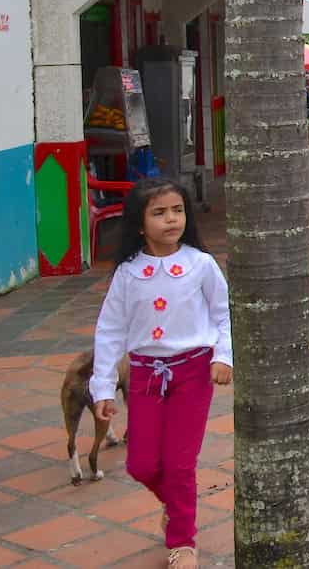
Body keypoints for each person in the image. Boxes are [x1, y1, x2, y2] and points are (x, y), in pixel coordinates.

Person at [90, 178, 232, 567]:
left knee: (180, 464)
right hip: (145, 376)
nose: (171, 219)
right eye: (159, 213)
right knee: (141, 464)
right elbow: (109, 330)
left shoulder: (200, 265)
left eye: (177, 210)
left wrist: (224, 356)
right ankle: (174, 504)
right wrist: (102, 387)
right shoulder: (127, 274)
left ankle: (183, 541)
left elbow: (223, 314)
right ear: (139, 223)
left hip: (193, 373)